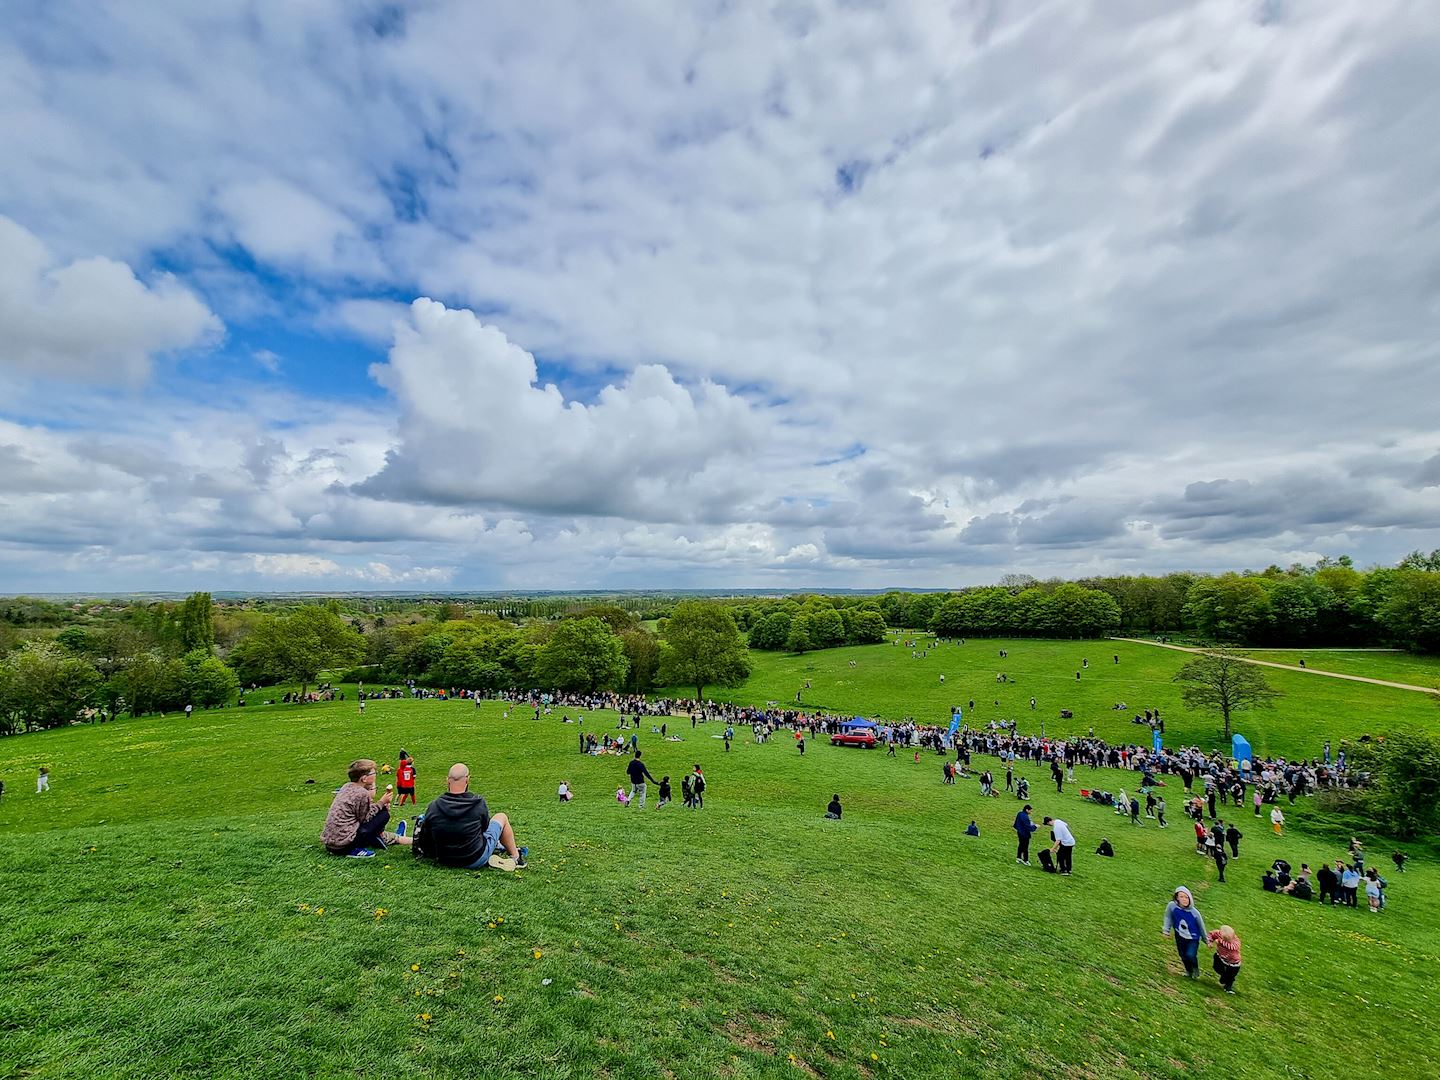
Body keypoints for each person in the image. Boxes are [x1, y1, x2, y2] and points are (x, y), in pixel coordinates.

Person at [412, 763, 525, 871]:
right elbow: (484, 829)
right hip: (475, 859)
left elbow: (426, 839)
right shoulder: (478, 803)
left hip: (444, 859)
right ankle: (516, 857)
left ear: (447, 780)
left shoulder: (434, 806)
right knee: (501, 816)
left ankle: (498, 848)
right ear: (467, 779)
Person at [321, 759, 413, 858]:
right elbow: (365, 818)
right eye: (373, 773)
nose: (376, 774)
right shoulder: (362, 793)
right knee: (384, 814)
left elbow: (360, 812)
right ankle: (360, 846)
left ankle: (381, 837)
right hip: (344, 845)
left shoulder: (346, 787)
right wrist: (382, 802)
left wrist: (379, 805)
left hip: (330, 844)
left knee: (380, 811)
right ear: (364, 778)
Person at [1161, 886, 1209, 979]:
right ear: (1177, 897)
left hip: (1193, 938)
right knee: (1183, 955)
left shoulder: (1195, 913)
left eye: (1186, 897)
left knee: (1190, 955)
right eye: (1181, 897)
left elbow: (1201, 927)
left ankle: (1195, 968)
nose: (1184, 899)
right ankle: (1188, 971)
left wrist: (1206, 940)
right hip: (1179, 936)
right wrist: (1166, 930)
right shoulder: (1172, 906)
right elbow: (1168, 917)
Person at [1209, 925, 1242, 993]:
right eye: (1224, 939)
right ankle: (1223, 976)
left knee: (1231, 976)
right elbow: (1211, 934)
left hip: (1233, 963)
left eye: (1228, 940)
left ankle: (1228, 988)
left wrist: (1220, 941)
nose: (1227, 941)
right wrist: (1210, 941)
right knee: (1216, 967)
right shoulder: (1218, 934)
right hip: (1221, 957)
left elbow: (1232, 947)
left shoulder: (1236, 942)